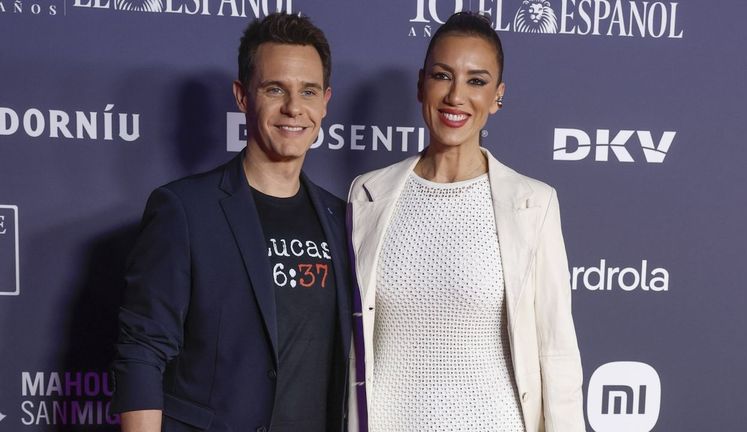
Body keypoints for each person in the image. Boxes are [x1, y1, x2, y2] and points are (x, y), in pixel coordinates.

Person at [110, 13, 351, 432]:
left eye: (308, 91)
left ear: (325, 101)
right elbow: (142, 351)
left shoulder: (344, 219)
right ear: (242, 96)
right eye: (275, 89)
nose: (294, 107)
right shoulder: (185, 210)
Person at [346, 12, 585, 432]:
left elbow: (557, 351)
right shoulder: (367, 194)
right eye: (442, 76)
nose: (456, 96)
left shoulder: (534, 203)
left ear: (497, 96)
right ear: (421, 84)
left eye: (476, 81)